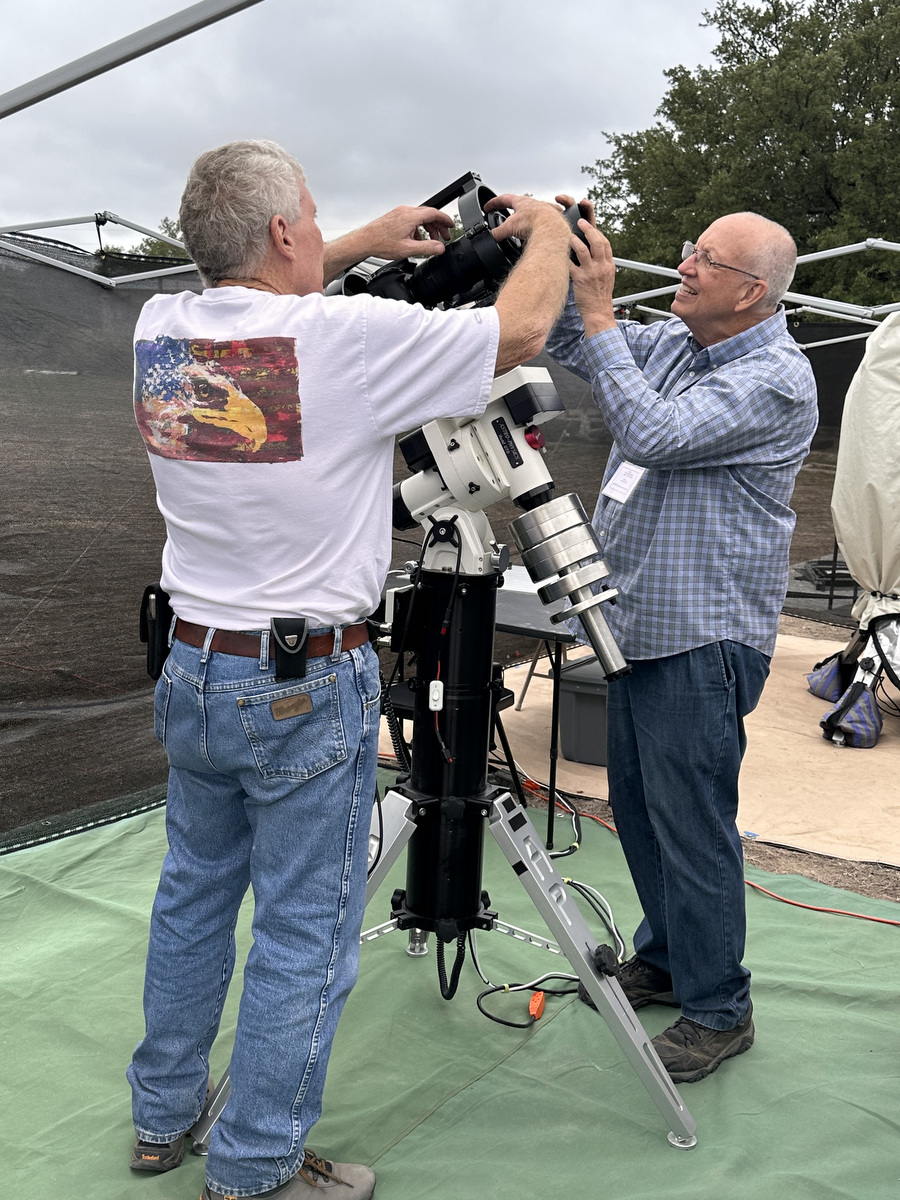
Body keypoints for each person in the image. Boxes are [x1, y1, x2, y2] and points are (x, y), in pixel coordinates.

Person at [127, 139, 571, 1200]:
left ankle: (163, 1119)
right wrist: (547, 228)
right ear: (285, 234)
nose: (327, 236)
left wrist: (372, 238)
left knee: (193, 898)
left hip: (192, 666)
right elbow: (519, 329)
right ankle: (256, 1168)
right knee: (301, 933)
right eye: (315, 221)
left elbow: (276, 312)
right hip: (302, 684)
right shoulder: (350, 340)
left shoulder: (160, 329)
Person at [546, 201, 817, 1083]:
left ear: (752, 292)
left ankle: (719, 1009)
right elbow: (567, 341)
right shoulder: (674, 344)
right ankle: (666, 959)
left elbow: (654, 434)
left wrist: (597, 310)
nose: (686, 265)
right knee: (641, 809)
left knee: (694, 826)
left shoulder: (776, 378)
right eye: (690, 248)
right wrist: (543, 247)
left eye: (706, 258)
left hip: (701, 639)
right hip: (638, 625)